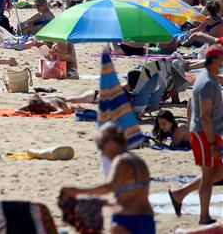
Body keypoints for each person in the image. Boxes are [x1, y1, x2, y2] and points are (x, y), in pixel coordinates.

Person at [61, 124, 155, 234]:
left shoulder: (120, 160)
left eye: (101, 147)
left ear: (111, 143)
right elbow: (134, 194)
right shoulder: (138, 161)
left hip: (126, 220)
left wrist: (77, 191)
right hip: (147, 218)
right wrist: (105, 202)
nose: (102, 154)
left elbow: (109, 187)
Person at [168, 44, 223, 225]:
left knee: (218, 172)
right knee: (208, 177)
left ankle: (179, 194)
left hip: (206, 133)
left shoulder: (209, 78)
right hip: (204, 134)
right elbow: (204, 116)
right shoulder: (207, 82)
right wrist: (213, 144)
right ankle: (204, 217)